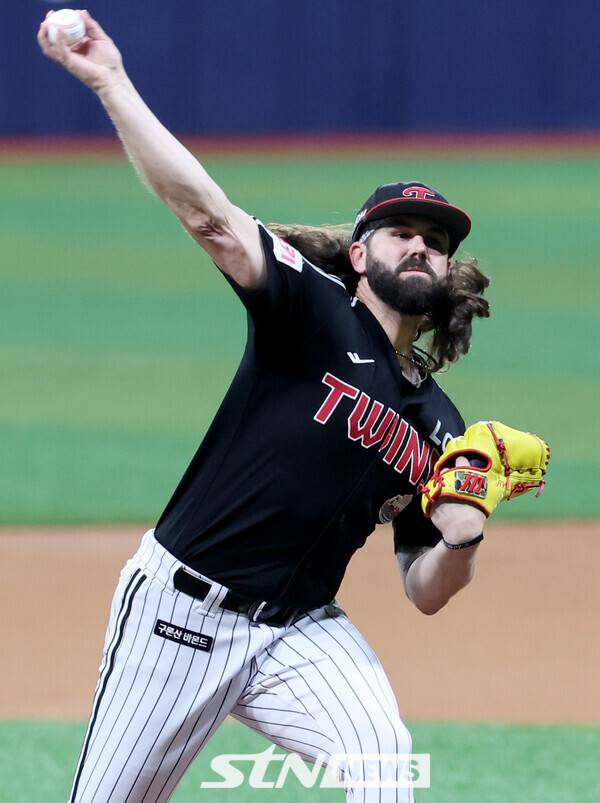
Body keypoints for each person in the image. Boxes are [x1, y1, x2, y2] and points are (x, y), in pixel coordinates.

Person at [38, 12, 496, 803]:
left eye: (435, 239)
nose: (421, 245)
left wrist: (462, 540)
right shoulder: (313, 309)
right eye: (400, 233)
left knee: (383, 754)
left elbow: (423, 589)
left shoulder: (441, 423)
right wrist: (110, 81)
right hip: (180, 617)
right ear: (358, 257)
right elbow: (212, 218)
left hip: (298, 629)